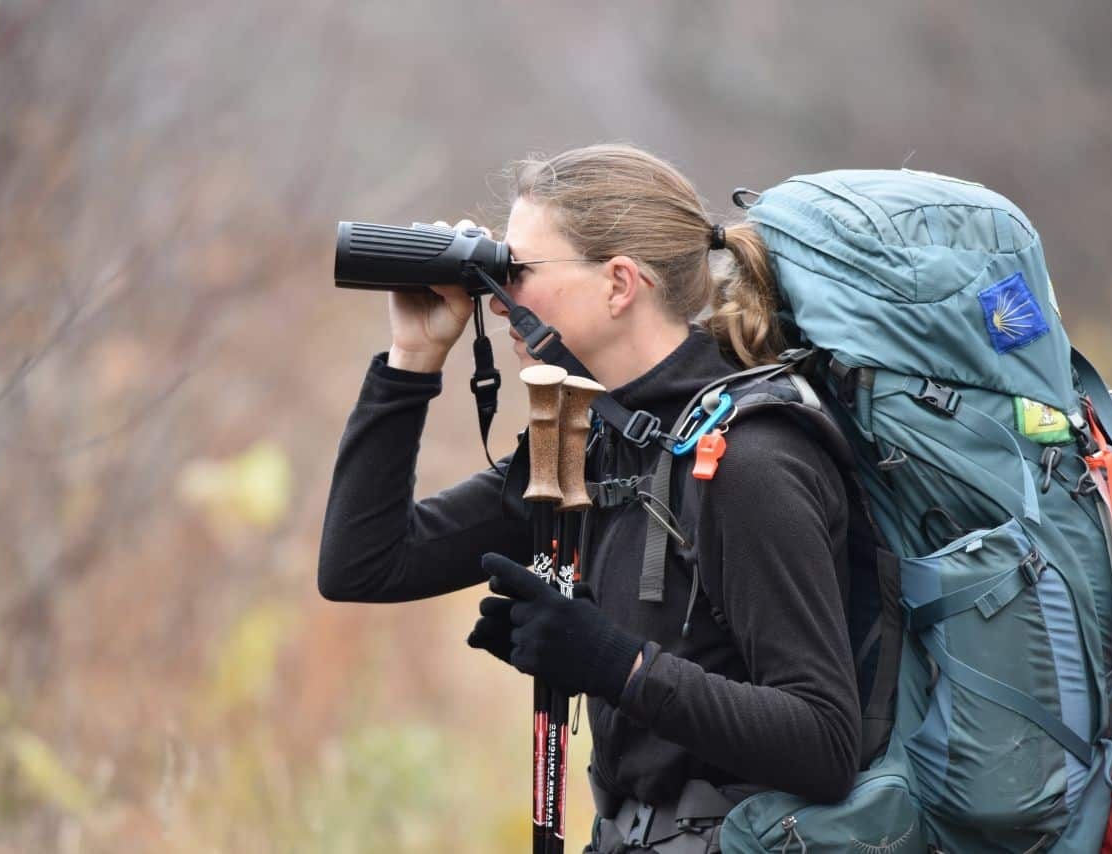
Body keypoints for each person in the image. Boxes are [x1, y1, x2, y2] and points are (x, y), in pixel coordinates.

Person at [318, 143, 861, 852]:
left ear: (618, 284)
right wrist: (412, 359)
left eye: (518, 270)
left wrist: (615, 664)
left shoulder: (749, 459)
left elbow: (823, 740)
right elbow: (366, 564)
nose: (496, 292)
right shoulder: (591, 442)